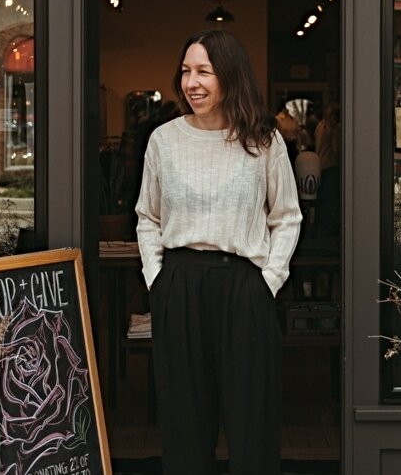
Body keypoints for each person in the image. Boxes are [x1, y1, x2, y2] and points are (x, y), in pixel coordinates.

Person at [135, 29, 302, 475]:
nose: (192, 82)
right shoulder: (164, 141)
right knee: (185, 422)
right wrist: (157, 277)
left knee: (252, 422)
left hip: (244, 287)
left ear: (229, 76)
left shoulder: (263, 140)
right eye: (186, 71)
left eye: (204, 71)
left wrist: (267, 281)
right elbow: (147, 217)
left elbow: (286, 216)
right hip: (180, 284)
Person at [313, 102, 341, 237]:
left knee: (323, 198)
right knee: (331, 198)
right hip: (332, 165)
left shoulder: (320, 126)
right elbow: (336, 149)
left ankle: (321, 227)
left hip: (321, 164)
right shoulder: (333, 129)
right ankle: (329, 228)